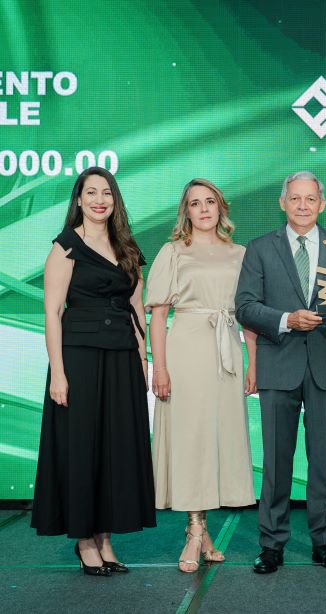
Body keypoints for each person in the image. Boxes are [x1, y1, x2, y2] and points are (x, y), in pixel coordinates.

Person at [235, 171, 326, 574]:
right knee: (276, 462)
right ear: (283, 203)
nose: (303, 206)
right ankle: (271, 544)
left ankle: (325, 542)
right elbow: (245, 306)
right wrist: (287, 319)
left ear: (322, 204)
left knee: (324, 461)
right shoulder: (260, 248)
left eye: (310, 199)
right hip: (279, 363)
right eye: (295, 198)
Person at [31, 167, 156, 576]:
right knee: (82, 446)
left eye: (107, 193)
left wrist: (143, 361)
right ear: (79, 199)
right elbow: (53, 312)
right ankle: (84, 540)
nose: (100, 200)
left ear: (115, 200)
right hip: (79, 356)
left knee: (114, 448)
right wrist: (58, 373)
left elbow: (136, 309)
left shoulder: (128, 247)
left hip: (121, 358)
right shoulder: (65, 246)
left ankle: (105, 537)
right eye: (91, 192)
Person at [145, 179, 257, 573]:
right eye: (195, 203)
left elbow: (248, 314)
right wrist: (159, 367)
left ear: (220, 207)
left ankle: (203, 530)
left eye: (210, 201)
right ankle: (194, 530)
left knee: (218, 441)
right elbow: (158, 315)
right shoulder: (173, 251)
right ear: (186, 211)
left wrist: (254, 362)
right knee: (192, 440)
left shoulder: (241, 254)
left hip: (227, 353)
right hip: (187, 350)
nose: (204, 209)